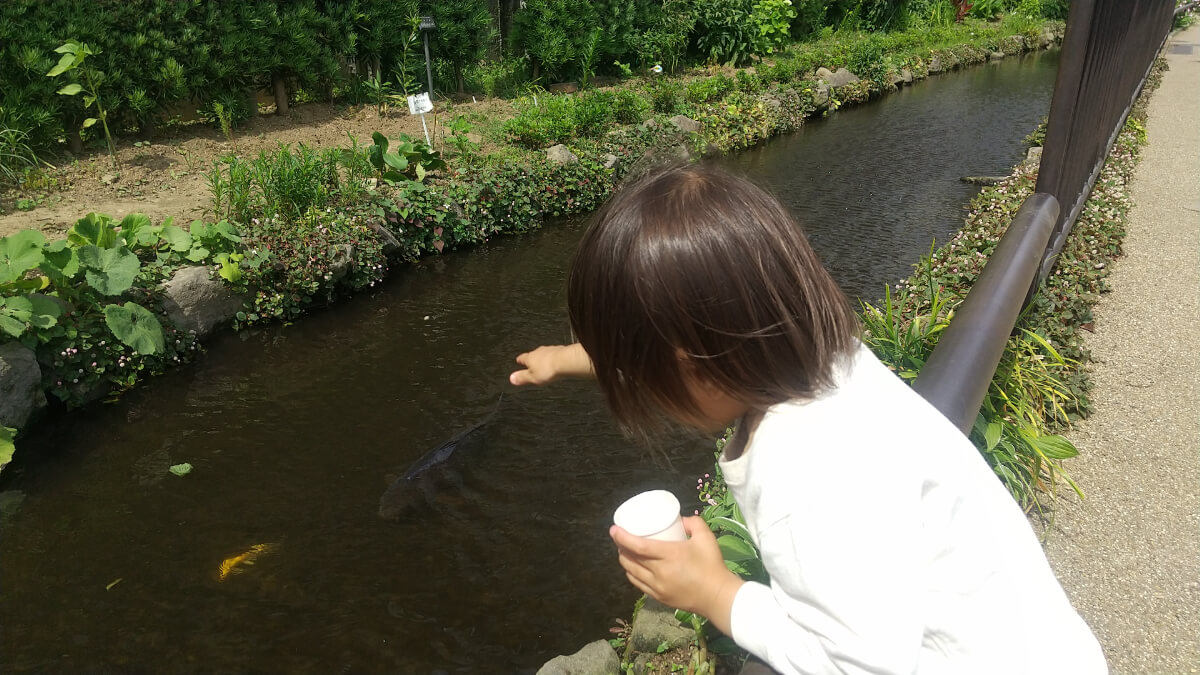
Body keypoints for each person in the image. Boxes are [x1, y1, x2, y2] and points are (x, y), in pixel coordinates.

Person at [510, 164, 1107, 675]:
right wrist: (567, 360)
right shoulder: (824, 358)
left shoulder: (805, 475)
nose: (642, 389)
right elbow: (681, 339)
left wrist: (717, 594)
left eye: (638, 374)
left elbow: (857, 665)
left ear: (692, 365)